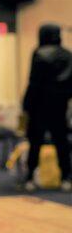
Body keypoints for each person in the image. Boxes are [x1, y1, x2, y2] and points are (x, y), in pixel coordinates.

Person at [23, 23, 72, 192]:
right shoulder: (67, 55)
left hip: (39, 105)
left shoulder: (39, 54)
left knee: (35, 141)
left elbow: (34, 83)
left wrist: (26, 104)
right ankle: (66, 177)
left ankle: (30, 177)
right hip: (59, 105)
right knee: (62, 141)